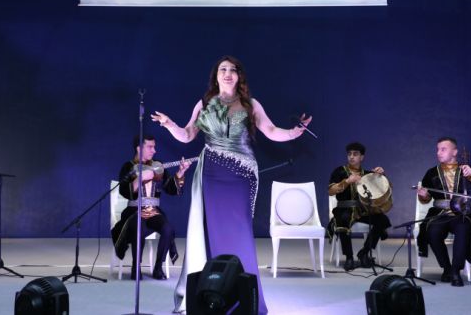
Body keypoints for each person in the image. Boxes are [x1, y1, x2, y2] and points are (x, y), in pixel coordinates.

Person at [151, 55, 312, 314]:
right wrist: (169, 124)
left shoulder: (251, 105)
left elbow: (271, 131)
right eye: (222, 69)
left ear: (239, 76)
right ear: (216, 76)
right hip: (212, 174)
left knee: (240, 235)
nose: (227, 73)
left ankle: (245, 299)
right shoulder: (204, 103)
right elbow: (187, 135)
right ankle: (214, 296)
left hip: (241, 176)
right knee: (213, 235)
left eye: (233, 70)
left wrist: (293, 132)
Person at [111, 135, 190, 280]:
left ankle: (158, 268)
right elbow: (124, 191)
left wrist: (180, 172)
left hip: (154, 212)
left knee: (168, 229)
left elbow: (171, 189)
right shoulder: (128, 167)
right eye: (150, 147)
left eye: (154, 147)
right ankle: (136, 267)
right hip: (134, 211)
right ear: (139, 148)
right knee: (138, 227)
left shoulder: (158, 166)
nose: (154, 150)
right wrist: (139, 178)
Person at [416, 137, 471, 287]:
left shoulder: (466, 169)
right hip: (439, 213)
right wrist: (423, 195)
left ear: (455, 152)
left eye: (443, 149)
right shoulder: (431, 172)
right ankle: (447, 268)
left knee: (464, 230)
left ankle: (456, 270)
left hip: (461, 214)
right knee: (432, 232)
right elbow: (426, 199)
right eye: (438, 149)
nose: (439, 152)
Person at [328, 142, 391, 271]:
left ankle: (364, 252)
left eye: (355, 154)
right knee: (343, 219)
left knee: (382, 220)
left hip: (362, 210)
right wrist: (347, 181)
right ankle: (349, 257)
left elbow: (383, 189)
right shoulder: (339, 171)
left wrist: (381, 176)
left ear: (362, 157)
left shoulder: (368, 175)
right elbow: (331, 191)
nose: (351, 157)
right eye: (349, 154)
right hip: (344, 209)